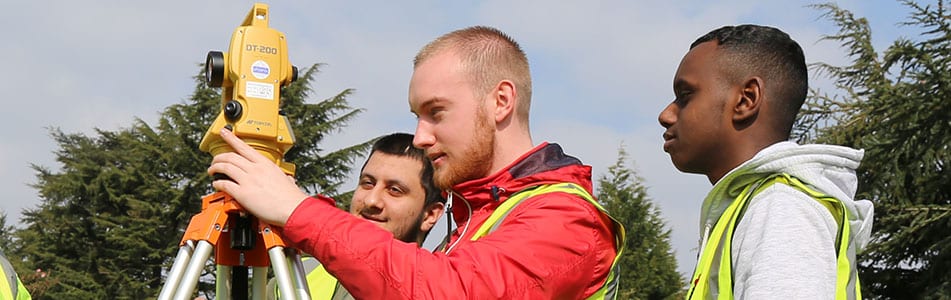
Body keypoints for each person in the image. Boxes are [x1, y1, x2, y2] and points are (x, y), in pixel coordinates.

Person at [209, 25, 625, 299]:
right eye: (416, 116)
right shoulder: (474, 218)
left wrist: (299, 212)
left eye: (436, 112)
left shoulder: (567, 218)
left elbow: (449, 292)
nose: (421, 137)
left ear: (501, 101)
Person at [658, 24, 875, 299]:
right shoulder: (758, 207)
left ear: (746, 100)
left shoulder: (780, 207)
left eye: (685, 96)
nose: (666, 114)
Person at [269, 132, 446, 299]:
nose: (371, 201)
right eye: (368, 183)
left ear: (430, 215)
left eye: (394, 190)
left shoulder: (438, 291)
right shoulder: (292, 277)